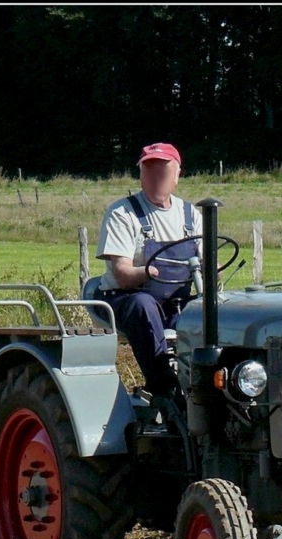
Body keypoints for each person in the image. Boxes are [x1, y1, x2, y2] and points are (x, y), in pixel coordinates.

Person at [94, 142, 202, 397]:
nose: (156, 177)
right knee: (143, 305)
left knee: (213, 311)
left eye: (162, 170)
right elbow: (122, 274)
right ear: (141, 174)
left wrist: (213, 269)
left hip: (176, 303)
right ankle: (164, 389)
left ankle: (212, 384)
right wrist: (148, 272)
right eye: (149, 169)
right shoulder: (122, 212)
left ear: (177, 175)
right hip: (126, 299)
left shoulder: (191, 215)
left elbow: (206, 263)